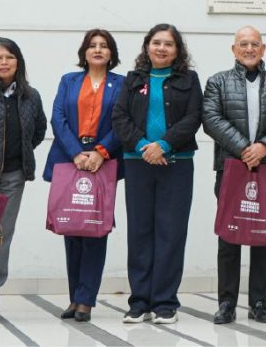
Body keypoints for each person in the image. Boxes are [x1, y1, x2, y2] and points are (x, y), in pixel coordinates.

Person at [203, 25, 266, 324]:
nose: (249, 49)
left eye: (254, 44)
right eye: (243, 44)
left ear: (263, 48)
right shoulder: (217, 82)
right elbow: (211, 119)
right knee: (228, 236)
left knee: (261, 235)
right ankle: (226, 303)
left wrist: (264, 146)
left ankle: (259, 303)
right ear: (234, 49)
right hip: (231, 167)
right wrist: (245, 148)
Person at [113, 23, 202, 324]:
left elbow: (194, 117)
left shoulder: (189, 79)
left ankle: (165, 302)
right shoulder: (133, 79)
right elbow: (120, 116)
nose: (161, 48)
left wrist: (163, 145)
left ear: (177, 50)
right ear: (147, 46)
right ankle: (139, 302)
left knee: (171, 232)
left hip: (176, 163)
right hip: (138, 163)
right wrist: (143, 146)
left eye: (168, 44)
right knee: (140, 232)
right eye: (156, 42)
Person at [43, 28, 124, 322]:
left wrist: (101, 152)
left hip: (103, 161)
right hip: (70, 159)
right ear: (85, 52)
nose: (98, 50)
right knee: (72, 227)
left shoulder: (122, 83)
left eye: (104, 45)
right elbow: (58, 118)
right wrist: (76, 152)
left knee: (94, 229)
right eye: (92, 45)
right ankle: (74, 297)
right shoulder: (69, 80)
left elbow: (123, 121)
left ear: (111, 53)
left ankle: (86, 300)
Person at [0, 38, 47, 321]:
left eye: (10, 57)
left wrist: (21, 153)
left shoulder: (31, 95)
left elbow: (38, 130)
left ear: (18, 62)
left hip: (13, 177)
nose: (4, 62)